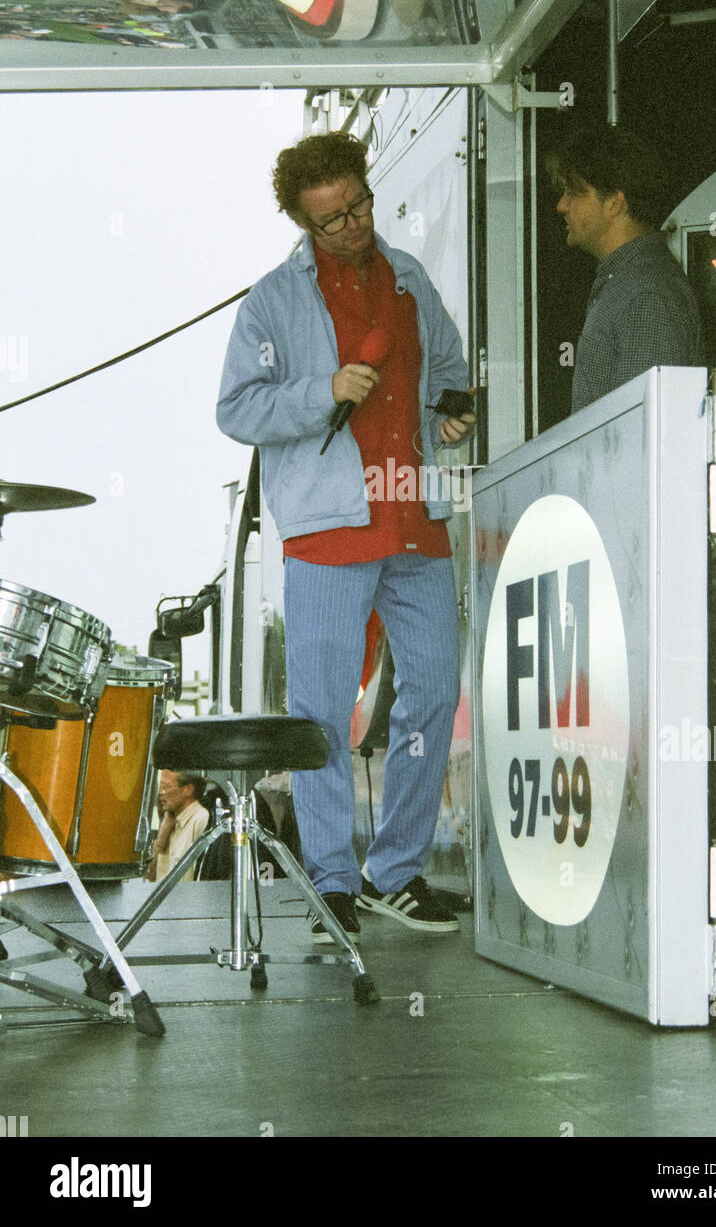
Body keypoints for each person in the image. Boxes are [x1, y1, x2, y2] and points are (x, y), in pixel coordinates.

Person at [217, 131, 474, 943]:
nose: (353, 226)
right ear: (303, 222)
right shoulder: (271, 302)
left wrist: (451, 413)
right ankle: (330, 879)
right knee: (322, 711)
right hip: (330, 528)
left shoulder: (409, 277)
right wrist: (319, 390)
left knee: (433, 692)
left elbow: (447, 365)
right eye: (332, 220)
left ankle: (394, 871)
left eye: (358, 206)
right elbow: (237, 409)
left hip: (415, 516)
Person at [550, 126, 704, 412]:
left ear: (614, 203)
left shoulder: (644, 297)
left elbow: (642, 435)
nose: (561, 205)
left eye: (573, 193)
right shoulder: (628, 283)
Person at [146, 769, 210, 882]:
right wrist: (162, 838)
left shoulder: (200, 819)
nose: (160, 792)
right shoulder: (169, 821)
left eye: (166, 786)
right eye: (160, 787)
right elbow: (150, 876)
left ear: (188, 790)